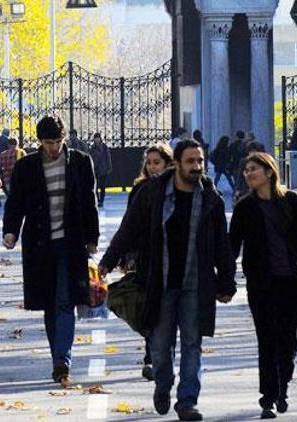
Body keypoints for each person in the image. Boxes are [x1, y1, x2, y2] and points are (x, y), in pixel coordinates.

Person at [99, 139, 236, 421]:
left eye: (199, 161)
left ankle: (187, 401)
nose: (197, 167)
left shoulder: (210, 199)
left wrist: (226, 283)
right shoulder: (153, 192)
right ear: (177, 164)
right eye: (190, 162)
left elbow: (222, 245)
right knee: (160, 347)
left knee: (192, 344)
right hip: (159, 284)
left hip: (195, 286)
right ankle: (163, 384)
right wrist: (107, 262)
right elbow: (128, 230)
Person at [229, 152, 297, 419]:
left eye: (253, 169)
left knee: (287, 341)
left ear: (269, 172)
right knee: (266, 340)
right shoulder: (244, 207)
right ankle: (268, 397)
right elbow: (231, 246)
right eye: (246, 170)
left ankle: (282, 387)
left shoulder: (291, 201)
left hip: (290, 282)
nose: (248, 174)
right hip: (259, 284)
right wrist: (222, 278)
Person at [2, 116, 99, 388]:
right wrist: (11, 231)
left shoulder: (80, 162)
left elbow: (89, 202)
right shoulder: (26, 166)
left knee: (65, 301)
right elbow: (15, 203)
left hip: (72, 242)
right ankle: (57, 355)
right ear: (39, 142)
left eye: (58, 141)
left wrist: (92, 237)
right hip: (39, 244)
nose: (54, 147)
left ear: (64, 138)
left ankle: (62, 361)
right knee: (49, 303)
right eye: (48, 142)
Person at [125, 143, 174, 382]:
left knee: (168, 312)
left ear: (168, 164)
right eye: (150, 163)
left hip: (172, 261)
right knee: (150, 310)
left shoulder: (179, 190)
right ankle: (151, 357)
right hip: (146, 260)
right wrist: (127, 256)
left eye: (158, 163)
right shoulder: (140, 189)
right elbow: (129, 226)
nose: (153, 167)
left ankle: (162, 358)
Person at [89, 133, 112, 207]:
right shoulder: (92, 147)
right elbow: (90, 157)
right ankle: (97, 199)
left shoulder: (104, 147)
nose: (96, 139)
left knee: (102, 186)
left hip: (103, 169)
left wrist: (109, 167)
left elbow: (108, 157)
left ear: (100, 138)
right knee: (95, 186)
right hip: (95, 169)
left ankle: (101, 200)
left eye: (98, 138)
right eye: (95, 138)